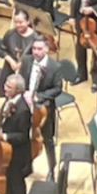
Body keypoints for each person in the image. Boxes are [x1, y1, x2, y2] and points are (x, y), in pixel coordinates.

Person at [0, 74, 33, 194]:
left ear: (18, 90)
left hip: (18, 153)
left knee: (17, 182)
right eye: (6, 85)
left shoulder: (23, 110)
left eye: (9, 87)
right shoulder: (9, 101)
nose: (5, 88)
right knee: (8, 178)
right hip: (6, 150)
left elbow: (23, 136)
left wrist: (5, 136)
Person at [20, 36, 62, 180]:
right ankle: (27, 165)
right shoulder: (26, 61)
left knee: (48, 140)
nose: (36, 52)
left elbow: (57, 89)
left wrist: (39, 96)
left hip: (43, 108)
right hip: (26, 104)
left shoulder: (55, 67)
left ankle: (52, 170)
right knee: (25, 136)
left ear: (46, 49)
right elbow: (21, 80)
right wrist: (24, 92)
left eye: (39, 49)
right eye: (34, 49)